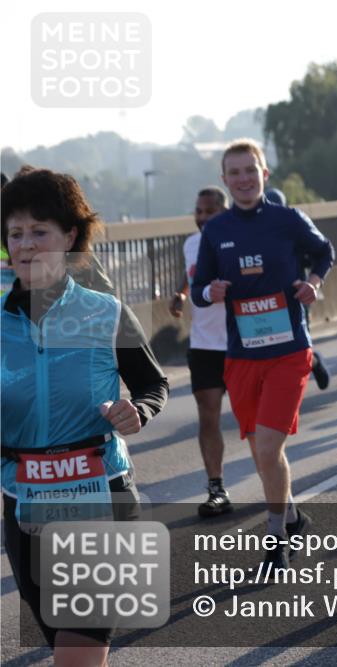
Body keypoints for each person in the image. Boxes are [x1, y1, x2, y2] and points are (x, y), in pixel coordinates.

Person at [2, 168, 168, 665]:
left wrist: (138, 411)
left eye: (39, 232)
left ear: (70, 236)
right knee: (69, 650)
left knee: (76, 656)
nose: (25, 245)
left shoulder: (106, 312)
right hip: (23, 503)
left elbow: (153, 384)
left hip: (99, 496)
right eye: (15, 233)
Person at [191, 138, 334, 571]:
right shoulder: (216, 231)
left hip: (289, 351)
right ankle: (292, 516)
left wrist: (314, 283)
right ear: (225, 180)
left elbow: (324, 252)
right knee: (260, 452)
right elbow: (198, 290)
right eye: (234, 173)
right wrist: (210, 292)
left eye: (250, 171)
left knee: (269, 448)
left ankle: (276, 539)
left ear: (264, 174)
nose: (244, 179)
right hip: (241, 356)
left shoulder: (288, 219)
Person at [169, 186, 233, 516]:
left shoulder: (238, 240)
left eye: (210, 211)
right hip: (204, 344)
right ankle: (216, 488)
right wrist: (181, 293)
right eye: (199, 211)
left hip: (240, 344)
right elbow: (191, 271)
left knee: (254, 421)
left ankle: (273, 482)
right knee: (208, 416)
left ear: (225, 212)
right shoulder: (191, 243)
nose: (203, 217)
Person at [264, 187, 331, 390]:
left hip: (296, 294)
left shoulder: (292, 226)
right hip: (266, 299)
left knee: (298, 347)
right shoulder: (253, 230)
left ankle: (314, 362)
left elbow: (320, 254)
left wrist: (311, 282)